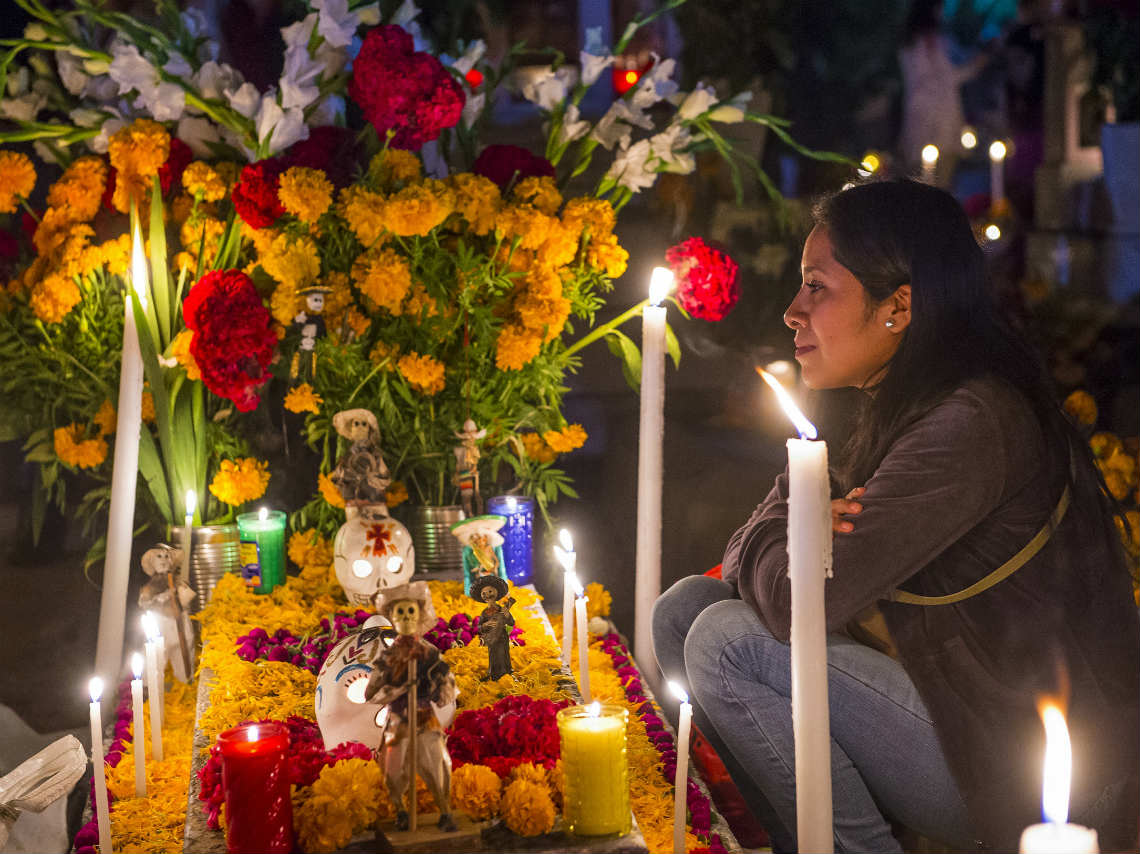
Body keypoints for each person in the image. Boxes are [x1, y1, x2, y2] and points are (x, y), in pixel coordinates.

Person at [652, 180, 1139, 853]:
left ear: (899, 307)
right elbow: (749, 562)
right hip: (945, 704)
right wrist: (794, 521)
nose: (793, 312)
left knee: (726, 640)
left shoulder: (969, 423)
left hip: (1019, 764)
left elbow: (802, 599)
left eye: (817, 287)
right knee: (683, 609)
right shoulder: (881, 395)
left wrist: (791, 522)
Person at [897, 0, 990, 186]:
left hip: (926, 114)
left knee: (926, 179)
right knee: (933, 179)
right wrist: (976, 65)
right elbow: (941, 78)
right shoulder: (928, 41)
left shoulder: (913, 41)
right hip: (934, 115)